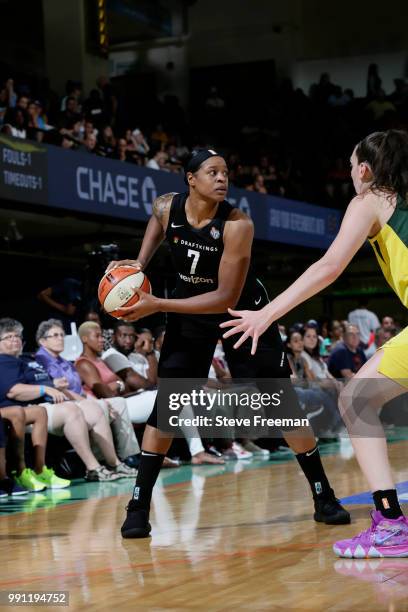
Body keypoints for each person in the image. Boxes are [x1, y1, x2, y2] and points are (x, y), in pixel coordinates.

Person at [106, 148, 349, 538]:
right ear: (191, 179)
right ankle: (138, 506)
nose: (223, 179)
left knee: (279, 402)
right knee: (169, 405)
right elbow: (156, 222)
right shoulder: (167, 206)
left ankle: (323, 495)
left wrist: (156, 304)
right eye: (213, 172)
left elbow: (224, 297)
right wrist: (138, 264)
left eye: (226, 173)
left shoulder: (238, 225)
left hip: (242, 314)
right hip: (189, 312)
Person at [221, 129, 408, 558]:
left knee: (358, 399)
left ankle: (391, 524)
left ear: (364, 170)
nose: (350, 176)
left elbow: (329, 266)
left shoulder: (369, 199)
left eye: (350, 167)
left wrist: (266, 313)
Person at [0, 318, 122, 484]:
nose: (15, 339)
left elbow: (51, 386)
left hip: (45, 405)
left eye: (17, 336)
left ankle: (114, 463)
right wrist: (46, 389)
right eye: (8, 337)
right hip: (26, 410)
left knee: (93, 408)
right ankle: (93, 467)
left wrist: (85, 399)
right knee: (71, 410)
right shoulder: (4, 361)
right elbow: (14, 391)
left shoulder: (26, 360)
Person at [34, 319, 138, 477]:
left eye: (62, 335)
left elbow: (79, 389)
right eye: (55, 335)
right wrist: (93, 402)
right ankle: (103, 462)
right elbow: (60, 390)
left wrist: (93, 401)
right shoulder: (41, 361)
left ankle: (123, 459)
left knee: (117, 402)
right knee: (98, 407)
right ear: (42, 340)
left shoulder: (65, 362)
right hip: (61, 404)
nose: (60, 338)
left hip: (76, 399)